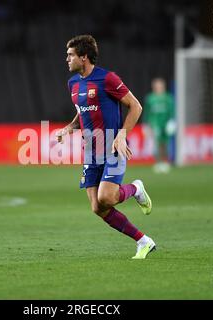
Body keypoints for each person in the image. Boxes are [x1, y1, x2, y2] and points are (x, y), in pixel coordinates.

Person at [55, 35, 156, 259]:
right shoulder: (73, 83)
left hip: (113, 146)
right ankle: (143, 241)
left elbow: (135, 106)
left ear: (84, 57)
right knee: (97, 207)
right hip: (91, 149)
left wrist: (122, 135)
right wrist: (69, 128)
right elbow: (82, 111)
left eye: (71, 55)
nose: (67, 59)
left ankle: (136, 189)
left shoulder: (107, 78)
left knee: (107, 198)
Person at [142, 78, 175, 173]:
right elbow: (147, 112)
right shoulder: (150, 98)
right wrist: (146, 124)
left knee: (165, 143)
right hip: (154, 124)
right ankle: (158, 162)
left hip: (165, 124)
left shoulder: (168, 98)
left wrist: (172, 121)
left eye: (160, 86)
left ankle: (165, 162)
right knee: (157, 143)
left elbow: (172, 111)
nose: (158, 88)